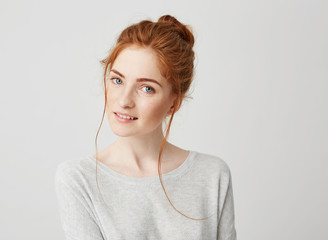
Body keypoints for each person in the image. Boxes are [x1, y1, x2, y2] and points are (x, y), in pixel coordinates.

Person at [55, 15, 237, 240]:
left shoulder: (212, 175)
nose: (124, 100)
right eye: (118, 80)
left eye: (147, 88)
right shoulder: (78, 179)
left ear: (174, 102)